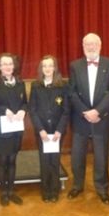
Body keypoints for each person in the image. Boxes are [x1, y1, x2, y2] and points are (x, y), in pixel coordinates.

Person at [67, 33, 109, 205]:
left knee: (101, 157)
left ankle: (102, 189)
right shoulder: (75, 65)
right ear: (83, 46)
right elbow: (72, 92)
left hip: (102, 118)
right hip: (81, 118)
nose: (90, 47)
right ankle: (77, 185)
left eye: (94, 44)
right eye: (87, 44)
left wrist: (97, 112)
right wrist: (85, 112)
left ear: (100, 45)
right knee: (77, 156)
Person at [0, 53, 27, 206]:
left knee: (13, 160)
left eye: (10, 63)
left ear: (14, 66)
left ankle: (11, 191)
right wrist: (4, 111)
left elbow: (24, 103)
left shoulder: (20, 83)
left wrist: (23, 110)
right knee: (2, 160)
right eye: (4, 64)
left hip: (16, 129)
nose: (8, 66)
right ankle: (3, 192)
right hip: (0, 130)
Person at [29, 55, 69, 203]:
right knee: (44, 160)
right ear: (41, 68)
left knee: (55, 160)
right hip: (43, 131)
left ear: (55, 68)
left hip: (57, 131)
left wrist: (59, 130)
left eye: (50, 65)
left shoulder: (63, 86)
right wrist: (41, 130)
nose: (47, 68)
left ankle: (55, 190)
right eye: (44, 66)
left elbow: (66, 110)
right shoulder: (36, 85)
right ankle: (45, 190)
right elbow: (32, 110)